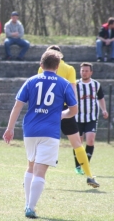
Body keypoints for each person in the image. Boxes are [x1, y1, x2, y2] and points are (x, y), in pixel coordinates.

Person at [3, 50, 78, 218]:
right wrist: (62, 114)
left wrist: (9, 128)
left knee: (31, 166)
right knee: (40, 171)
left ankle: (27, 204)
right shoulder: (64, 83)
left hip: (30, 130)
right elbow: (74, 109)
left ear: (41, 65)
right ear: (58, 67)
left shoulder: (31, 81)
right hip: (49, 132)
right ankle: (30, 207)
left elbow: (17, 106)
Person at [38, 45, 100, 186]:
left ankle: (33, 175)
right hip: (64, 111)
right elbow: (72, 91)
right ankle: (89, 176)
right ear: (60, 56)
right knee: (77, 144)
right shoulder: (69, 69)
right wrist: (73, 108)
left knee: (41, 142)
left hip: (46, 110)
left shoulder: (42, 68)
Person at [74, 62, 108, 170]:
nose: (84, 73)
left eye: (86, 71)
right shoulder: (75, 84)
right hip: (78, 118)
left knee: (90, 140)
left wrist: (104, 110)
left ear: (91, 72)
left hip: (91, 118)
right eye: (82, 71)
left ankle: (85, 164)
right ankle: (78, 166)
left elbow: (101, 98)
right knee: (78, 142)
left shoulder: (96, 85)